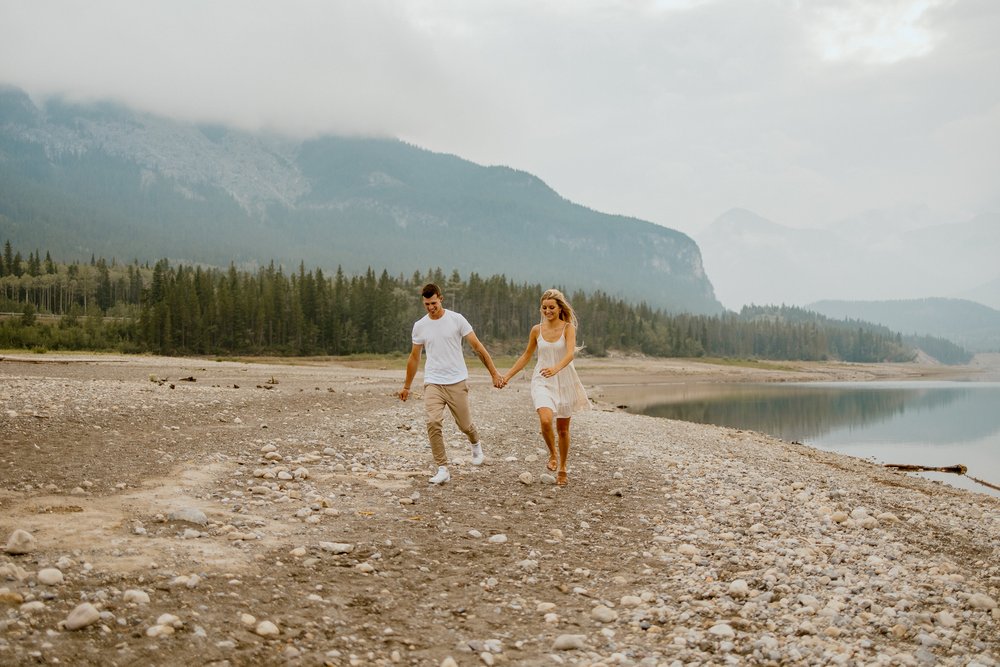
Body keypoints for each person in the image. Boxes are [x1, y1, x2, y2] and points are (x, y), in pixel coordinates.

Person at [398, 283, 504, 484]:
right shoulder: (420, 326)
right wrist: (406, 386)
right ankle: (442, 468)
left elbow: (478, 348)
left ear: (441, 298)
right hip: (433, 382)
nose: (430, 307)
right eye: (427, 304)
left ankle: (475, 445)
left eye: (434, 303)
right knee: (433, 422)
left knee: (465, 425)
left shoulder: (457, 320)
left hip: (456, 381)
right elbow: (414, 357)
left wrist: (494, 373)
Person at [500, 288, 589, 486]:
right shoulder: (536, 330)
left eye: (551, 307)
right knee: (546, 419)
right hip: (542, 379)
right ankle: (553, 454)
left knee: (563, 430)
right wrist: (507, 376)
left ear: (559, 308)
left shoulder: (568, 328)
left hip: (564, 378)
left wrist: (556, 368)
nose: (547, 311)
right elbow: (526, 356)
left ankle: (563, 468)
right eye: (544, 308)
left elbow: (569, 354)